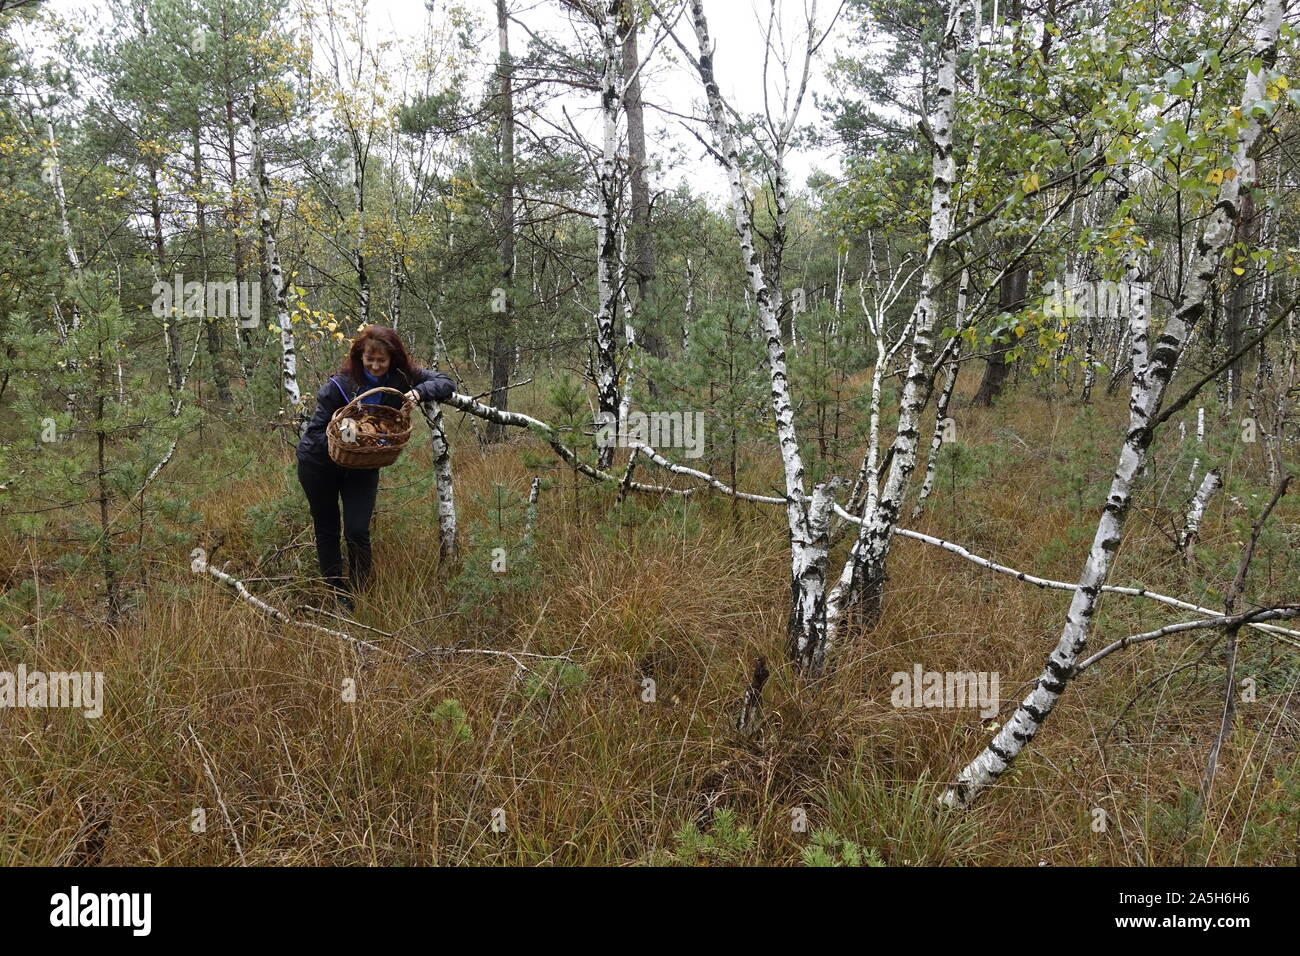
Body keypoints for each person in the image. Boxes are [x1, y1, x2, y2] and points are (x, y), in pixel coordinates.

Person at [296, 326, 455, 609]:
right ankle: (336, 593)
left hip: (363, 463)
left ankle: (359, 591)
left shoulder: (402, 377)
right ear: (360, 355)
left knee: (357, 529)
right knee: (327, 528)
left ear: (393, 359)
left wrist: (418, 392)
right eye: (370, 359)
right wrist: (346, 437)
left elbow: (445, 383)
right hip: (319, 463)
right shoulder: (340, 385)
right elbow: (317, 431)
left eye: (382, 360)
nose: (375, 365)